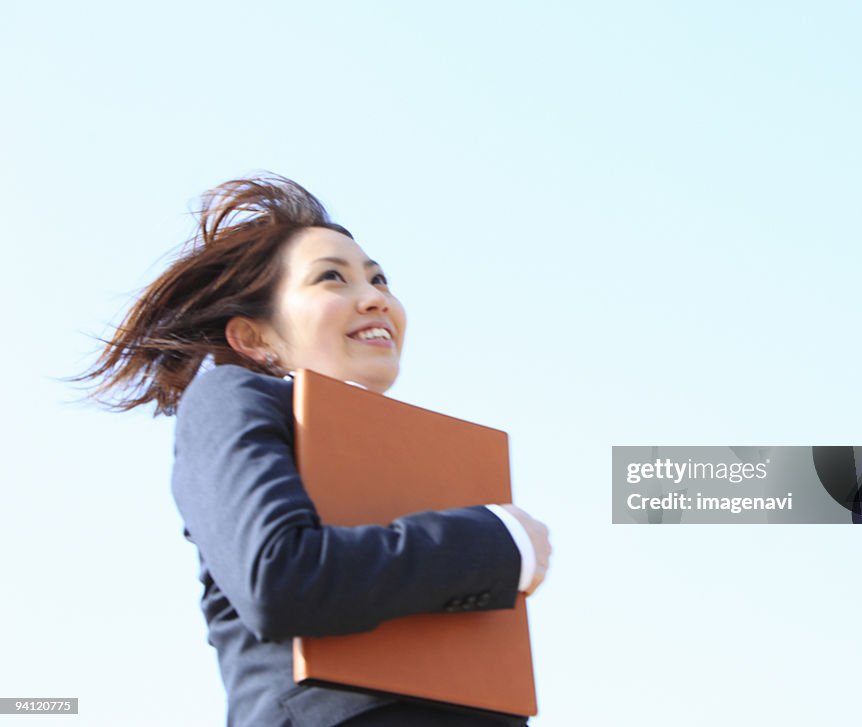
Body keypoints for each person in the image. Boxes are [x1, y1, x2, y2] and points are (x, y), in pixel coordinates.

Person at [78, 174, 552, 726]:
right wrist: (495, 543)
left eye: (380, 280)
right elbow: (278, 577)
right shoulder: (231, 395)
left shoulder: (431, 457)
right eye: (333, 278)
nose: (376, 298)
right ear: (254, 339)